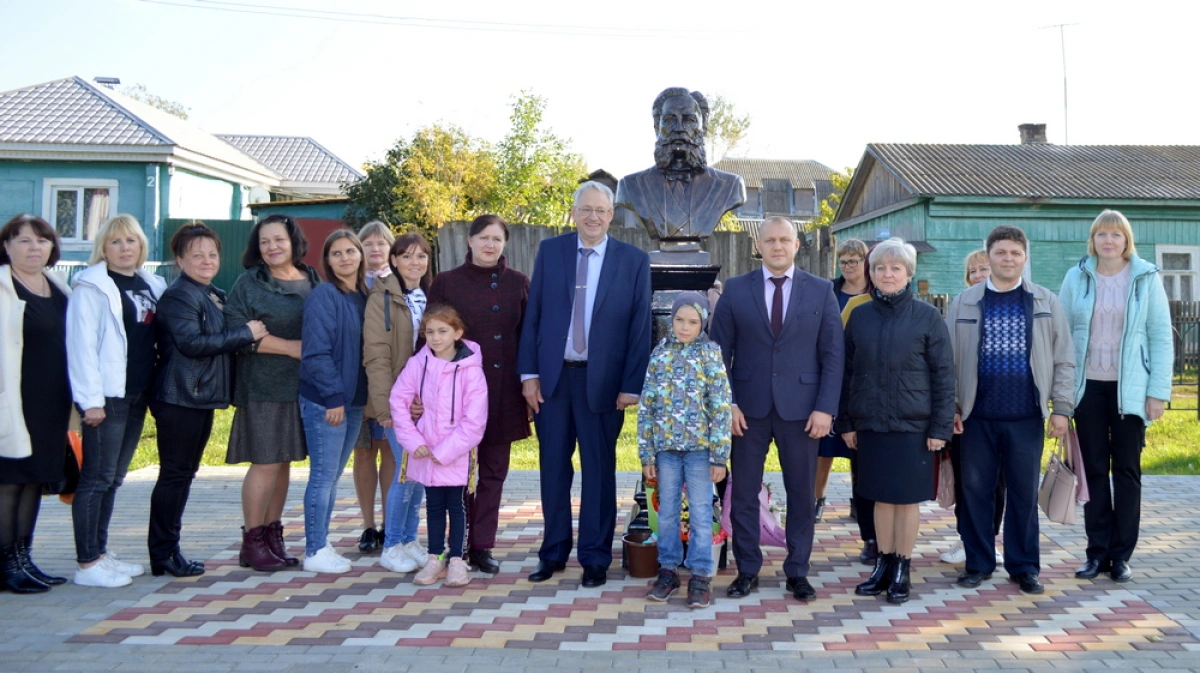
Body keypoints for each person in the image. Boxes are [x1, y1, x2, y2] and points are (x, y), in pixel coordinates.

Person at [518, 180, 652, 587]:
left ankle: (595, 557)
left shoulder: (633, 260)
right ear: (574, 212)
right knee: (553, 470)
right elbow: (534, 315)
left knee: (598, 472)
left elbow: (639, 328)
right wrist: (529, 375)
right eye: (586, 209)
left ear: (612, 215)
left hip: (604, 386)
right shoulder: (551, 252)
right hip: (554, 383)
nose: (593, 216)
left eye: (601, 210)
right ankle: (553, 552)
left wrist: (632, 384)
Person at [709, 215, 844, 602]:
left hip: (803, 412)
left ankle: (797, 571)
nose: (778, 246)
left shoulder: (821, 291)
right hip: (747, 412)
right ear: (759, 245)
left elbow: (833, 356)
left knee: (802, 494)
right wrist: (728, 402)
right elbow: (719, 354)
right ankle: (747, 569)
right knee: (744, 493)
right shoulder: (736, 290)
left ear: (797, 245)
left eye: (785, 240)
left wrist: (825, 409)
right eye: (770, 240)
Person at [946, 225, 1074, 595]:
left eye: (1015, 253)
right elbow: (948, 362)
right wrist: (950, 407)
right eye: (1000, 253)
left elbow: (1065, 359)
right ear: (988, 257)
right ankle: (979, 562)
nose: (1007, 259)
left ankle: (1024, 566)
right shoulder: (964, 302)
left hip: (1026, 417)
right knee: (975, 492)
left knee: (1022, 493)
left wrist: (1061, 408)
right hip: (975, 417)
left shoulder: (1045, 302)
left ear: (1025, 258)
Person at [837, 238, 955, 604]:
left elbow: (944, 375)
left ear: (908, 273)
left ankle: (903, 566)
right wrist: (848, 423)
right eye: (880, 268)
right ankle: (883, 565)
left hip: (913, 428)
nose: (887, 274)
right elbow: (847, 373)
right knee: (879, 499)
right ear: (871, 273)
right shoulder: (859, 316)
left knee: (905, 501)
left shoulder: (928, 317)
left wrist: (940, 428)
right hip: (871, 424)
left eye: (895, 268)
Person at [1059, 210, 1172, 583]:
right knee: (1092, 471)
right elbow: (1061, 334)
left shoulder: (1145, 278)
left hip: (1132, 392)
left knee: (1126, 472)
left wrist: (1157, 392)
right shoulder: (1077, 276)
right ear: (1093, 240)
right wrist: (1060, 393)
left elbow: (1160, 335)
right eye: (1102, 235)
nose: (1109, 241)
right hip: (1087, 389)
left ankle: (1121, 556)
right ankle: (1096, 553)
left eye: (1116, 235)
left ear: (1127, 240)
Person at [148, 223, 266, 577]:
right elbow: (192, 343)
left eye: (212, 254)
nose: (206, 260)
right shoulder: (180, 295)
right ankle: (163, 553)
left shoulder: (211, 293)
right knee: (174, 475)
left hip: (197, 397)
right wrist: (244, 334)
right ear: (180, 260)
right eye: (196, 255)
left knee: (184, 474)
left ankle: (169, 550)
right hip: (179, 396)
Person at [67, 214, 166, 588]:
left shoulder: (150, 283)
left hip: (137, 393)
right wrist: (90, 402)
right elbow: (81, 348)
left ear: (141, 246)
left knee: (114, 478)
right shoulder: (90, 287)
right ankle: (88, 564)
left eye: (131, 241)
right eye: (116, 242)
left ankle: (101, 553)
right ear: (103, 248)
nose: (125, 248)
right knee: (96, 478)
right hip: (106, 397)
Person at [428, 214, 530, 574]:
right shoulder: (446, 282)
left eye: (497, 239)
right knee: (457, 471)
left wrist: (529, 383)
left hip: (503, 394)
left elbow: (529, 339)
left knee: (493, 472)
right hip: (456, 395)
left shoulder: (519, 283)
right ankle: (454, 545)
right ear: (469, 241)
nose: (490, 245)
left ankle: (481, 545)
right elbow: (429, 337)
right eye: (483, 238)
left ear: (505, 244)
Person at [225, 214, 320, 571]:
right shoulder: (249, 283)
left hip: (303, 386)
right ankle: (251, 541)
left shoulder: (311, 278)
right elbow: (238, 333)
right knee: (265, 463)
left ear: (293, 242)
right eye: (265, 242)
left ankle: (272, 535)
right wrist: (291, 347)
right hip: (263, 385)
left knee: (283, 465)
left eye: (278, 239)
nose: (272, 247)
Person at [639, 291, 731, 609]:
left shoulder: (710, 354)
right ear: (671, 319)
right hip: (665, 450)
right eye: (679, 320)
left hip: (700, 451)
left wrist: (719, 455)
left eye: (692, 322)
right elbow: (647, 406)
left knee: (702, 514)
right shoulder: (659, 354)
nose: (684, 327)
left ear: (703, 323)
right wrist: (646, 453)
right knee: (667, 514)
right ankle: (668, 570)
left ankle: (701, 574)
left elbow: (720, 407)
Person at [391, 305, 487, 588]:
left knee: (457, 507)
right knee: (433, 506)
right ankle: (436, 558)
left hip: (455, 453)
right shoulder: (417, 364)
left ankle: (457, 559)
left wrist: (444, 451)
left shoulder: (471, 371)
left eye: (442, 331)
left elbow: (474, 421)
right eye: (429, 332)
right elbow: (399, 400)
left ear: (457, 333)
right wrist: (413, 440)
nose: (435, 337)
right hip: (424, 451)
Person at [0, 214, 72, 593]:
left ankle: (24, 559)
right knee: (10, 481)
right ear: (6, 246)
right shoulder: (1, 285)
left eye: (41, 241)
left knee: (34, 480)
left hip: (51, 401)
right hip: (14, 400)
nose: (33, 248)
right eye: (23, 241)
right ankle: (5, 565)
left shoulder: (55, 283)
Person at [299, 230, 369, 574]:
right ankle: (314, 549)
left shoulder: (364, 295)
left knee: (333, 475)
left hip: (354, 402)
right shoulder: (324, 296)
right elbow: (316, 352)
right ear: (327, 261)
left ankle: (322, 544)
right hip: (328, 402)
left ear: (360, 254)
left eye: (350, 251)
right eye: (336, 253)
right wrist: (332, 397)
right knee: (323, 477)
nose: (344, 258)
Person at [366, 233, 433, 574]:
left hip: (428, 403)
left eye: (421, 256)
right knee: (405, 473)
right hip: (399, 402)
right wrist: (388, 407)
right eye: (407, 256)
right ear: (393, 260)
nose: (415, 263)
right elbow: (377, 356)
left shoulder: (428, 296)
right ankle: (391, 544)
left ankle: (409, 539)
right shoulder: (382, 299)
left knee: (419, 473)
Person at [615, 87, 746, 244]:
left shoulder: (730, 186)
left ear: (703, 126)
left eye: (689, 120)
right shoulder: (630, 187)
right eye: (669, 119)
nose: (678, 128)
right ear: (657, 127)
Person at [942, 249, 1006, 566]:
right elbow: (948, 361)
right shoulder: (960, 307)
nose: (979, 275)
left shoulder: (1011, 306)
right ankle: (967, 540)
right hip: (967, 412)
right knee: (968, 482)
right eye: (973, 271)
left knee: (997, 483)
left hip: (1004, 410)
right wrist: (951, 405)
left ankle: (990, 540)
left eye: (984, 268)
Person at [816, 239, 872, 554]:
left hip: (864, 378)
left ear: (866, 262)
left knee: (858, 446)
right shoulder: (829, 292)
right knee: (825, 443)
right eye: (844, 261)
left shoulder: (877, 291)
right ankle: (817, 498)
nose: (849, 267)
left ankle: (857, 500)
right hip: (832, 376)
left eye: (855, 261)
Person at [352, 221, 396, 553]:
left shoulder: (400, 285)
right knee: (363, 452)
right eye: (368, 244)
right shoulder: (347, 286)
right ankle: (368, 526)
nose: (375, 249)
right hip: (355, 383)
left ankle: (390, 522)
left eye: (382, 243)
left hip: (389, 383)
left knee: (390, 452)